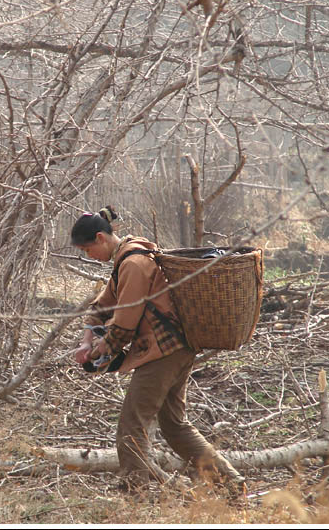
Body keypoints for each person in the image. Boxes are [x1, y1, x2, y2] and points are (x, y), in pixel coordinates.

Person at [70, 206, 245, 494]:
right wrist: (87, 340)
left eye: (88, 250)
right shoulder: (126, 259)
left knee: (132, 423)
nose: (90, 256)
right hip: (175, 349)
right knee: (175, 426)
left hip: (162, 352)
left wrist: (103, 350)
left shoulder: (134, 264)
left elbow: (125, 321)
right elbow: (102, 306)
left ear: (100, 238)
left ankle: (137, 488)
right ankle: (231, 484)